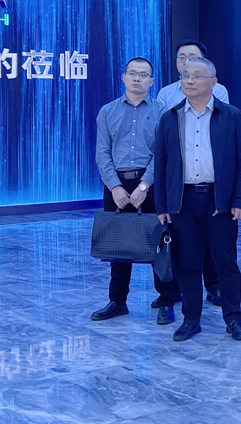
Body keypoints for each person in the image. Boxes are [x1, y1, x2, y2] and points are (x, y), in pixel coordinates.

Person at [154, 57, 241, 342]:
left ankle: (233, 319)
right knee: (187, 263)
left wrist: (240, 200)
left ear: (213, 82)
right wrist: (163, 205)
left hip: (220, 200)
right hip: (183, 200)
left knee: (226, 262)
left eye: (197, 76)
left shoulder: (231, 115)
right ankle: (190, 319)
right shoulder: (170, 117)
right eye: (186, 76)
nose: (190, 80)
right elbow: (161, 164)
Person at [92, 57, 180, 325]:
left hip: (152, 184)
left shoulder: (163, 112)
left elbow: (163, 153)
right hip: (116, 185)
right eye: (132, 73)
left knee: (160, 244)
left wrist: (144, 184)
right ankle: (117, 301)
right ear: (124, 78)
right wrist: (115, 186)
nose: (137, 78)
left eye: (143, 75)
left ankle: (166, 300)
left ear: (151, 81)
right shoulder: (107, 111)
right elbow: (102, 153)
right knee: (118, 245)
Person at [157, 39, 228, 308]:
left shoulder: (219, 91)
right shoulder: (166, 94)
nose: (186, 62)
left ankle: (214, 286)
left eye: (192, 57)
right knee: (181, 246)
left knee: (214, 245)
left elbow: (222, 133)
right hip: (181, 184)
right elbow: (164, 140)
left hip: (211, 185)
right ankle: (178, 296)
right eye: (182, 58)